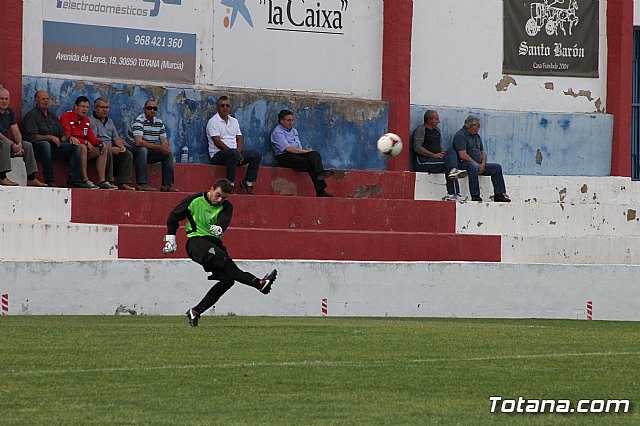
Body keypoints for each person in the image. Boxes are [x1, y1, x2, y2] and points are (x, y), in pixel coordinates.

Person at [162, 178, 278, 327]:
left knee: (228, 280)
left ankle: (195, 310)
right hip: (196, 243)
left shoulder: (227, 206)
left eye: (224, 197)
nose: (219, 200)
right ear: (211, 189)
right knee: (226, 264)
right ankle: (259, 283)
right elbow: (173, 216)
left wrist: (220, 227)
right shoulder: (195, 200)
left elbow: (224, 220)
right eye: (218, 195)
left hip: (215, 245)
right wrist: (171, 239)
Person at [22, 90, 84, 188]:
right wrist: (49, 137)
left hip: (54, 147)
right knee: (45, 144)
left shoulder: (52, 116)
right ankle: (49, 180)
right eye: (43, 99)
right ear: (36, 101)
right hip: (37, 148)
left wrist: (69, 138)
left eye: (47, 99)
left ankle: (74, 181)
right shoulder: (32, 115)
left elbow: (62, 134)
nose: (46, 101)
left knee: (75, 147)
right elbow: (31, 137)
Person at [271, 109, 334, 197]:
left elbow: (298, 147)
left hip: (296, 154)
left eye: (292, 120)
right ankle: (320, 189)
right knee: (311, 164)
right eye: (288, 120)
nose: (291, 122)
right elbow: (288, 149)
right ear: (282, 121)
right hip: (284, 156)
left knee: (315, 154)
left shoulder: (294, 131)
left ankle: (320, 174)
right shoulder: (277, 132)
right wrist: (306, 152)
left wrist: (307, 153)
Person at [206, 95, 261, 194]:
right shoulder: (213, 122)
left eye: (227, 105)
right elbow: (217, 141)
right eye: (222, 106)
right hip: (218, 155)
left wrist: (238, 152)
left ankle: (248, 183)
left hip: (235, 155)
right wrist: (234, 153)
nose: (225, 108)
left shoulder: (234, 121)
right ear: (217, 107)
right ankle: (230, 184)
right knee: (233, 153)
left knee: (256, 154)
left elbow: (239, 137)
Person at [59, 96, 116, 190]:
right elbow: (68, 136)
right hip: (70, 149)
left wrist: (100, 143)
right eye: (82, 106)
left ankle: (102, 181)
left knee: (103, 147)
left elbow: (92, 138)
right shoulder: (66, 117)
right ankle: (84, 180)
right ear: (75, 106)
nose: (85, 109)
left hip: (85, 148)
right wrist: (85, 142)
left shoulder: (86, 120)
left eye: (87, 107)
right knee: (82, 147)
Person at [411, 110, 467, 202]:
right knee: (448, 166)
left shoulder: (437, 130)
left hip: (436, 159)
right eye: (436, 119)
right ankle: (453, 193)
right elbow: (417, 148)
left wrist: (442, 154)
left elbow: (439, 147)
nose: (439, 121)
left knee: (451, 152)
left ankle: (454, 187)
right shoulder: (421, 130)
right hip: (423, 161)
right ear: (429, 120)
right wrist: (434, 155)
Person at [452, 115, 511, 202]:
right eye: (478, 125)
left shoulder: (477, 136)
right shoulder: (461, 135)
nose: (479, 127)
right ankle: (475, 195)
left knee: (496, 167)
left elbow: (482, 152)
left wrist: (483, 163)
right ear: (472, 126)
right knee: (473, 167)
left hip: (478, 164)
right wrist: (476, 164)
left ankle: (499, 194)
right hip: (464, 163)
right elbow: (462, 154)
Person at [124, 99, 178, 192]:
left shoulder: (159, 123)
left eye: (155, 108)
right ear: (144, 109)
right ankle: (142, 183)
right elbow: (138, 142)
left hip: (147, 151)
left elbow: (164, 140)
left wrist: (164, 147)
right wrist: (159, 147)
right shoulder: (138, 121)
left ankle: (167, 185)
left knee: (168, 153)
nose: (152, 110)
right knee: (142, 150)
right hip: (132, 152)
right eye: (149, 108)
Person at [0, 88, 47, 187]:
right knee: (4, 144)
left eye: (6, 99)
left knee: (27, 145)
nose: (4, 101)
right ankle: (2, 177)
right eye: (1, 99)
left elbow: (16, 130)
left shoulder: (10, 112)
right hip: (3, 143)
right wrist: (13, 145)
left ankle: (31, 178)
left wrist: (19, 144)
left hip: (8, 144)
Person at [89, 97, 136, 191]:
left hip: (110, 147)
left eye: (107, 107)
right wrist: (111, 148)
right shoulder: (91, 120)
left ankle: (123, 182)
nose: (105, 110)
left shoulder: (110, 121)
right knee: (107, 151)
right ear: (95, 108)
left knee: (127, 154)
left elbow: (116, 137)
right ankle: (109, 181)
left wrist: (121, 146)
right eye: (102, 107)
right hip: (98, 147)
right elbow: (93, 139)